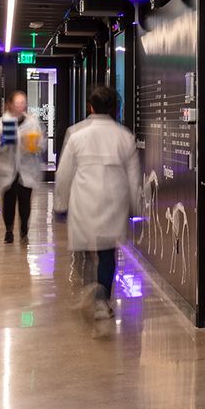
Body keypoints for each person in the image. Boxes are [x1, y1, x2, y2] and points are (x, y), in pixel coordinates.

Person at [53, 84, 140, 330]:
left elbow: (64, 173)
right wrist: (135, 207)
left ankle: (91, 290)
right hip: (114, 202)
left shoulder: (76, 134)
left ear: (90, 107)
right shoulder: (125, 136)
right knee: (106, 252)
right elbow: (134, 178)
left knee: (85, 249)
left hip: (84, 201)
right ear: (115, 108)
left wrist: (60, 204)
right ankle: (102, 300)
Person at [0, 90, 45, 245]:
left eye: (23, 102)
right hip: (7, 169)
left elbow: (41, 143)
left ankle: (24, 231)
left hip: (26, 169)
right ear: (10, 104)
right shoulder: (1, 123)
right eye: (17, 103)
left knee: (25, 203)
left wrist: (35, 146)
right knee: (9, 202)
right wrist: (2, 144)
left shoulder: (33, 123)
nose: (20, 106)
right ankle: (9, 231)